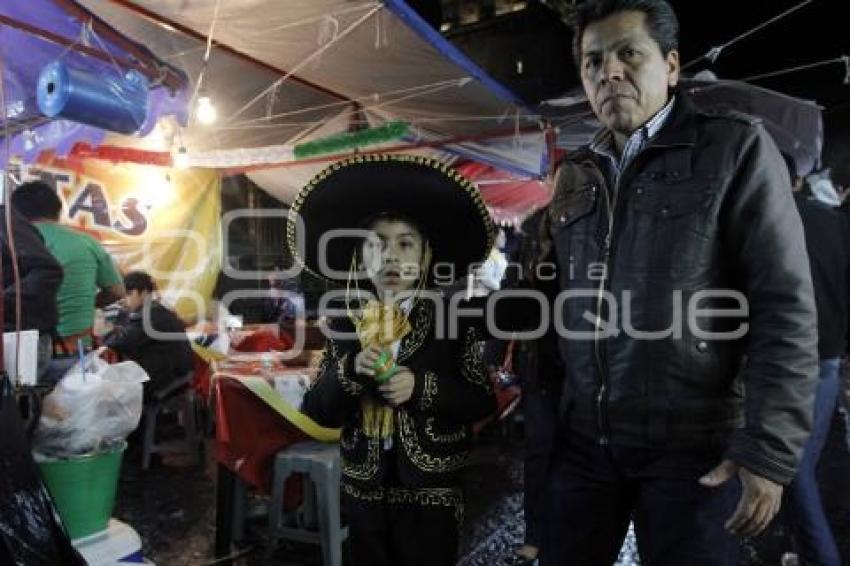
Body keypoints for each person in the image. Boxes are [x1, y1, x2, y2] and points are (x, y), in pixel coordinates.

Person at [506, 1, 818, 564]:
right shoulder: (576, 173)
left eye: (630, 54)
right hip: (586, 444)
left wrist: (768, 451)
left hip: (693, 449)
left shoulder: (734, 150)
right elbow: (554, 306)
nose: (610, 72)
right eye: (593, 61)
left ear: (671, 66)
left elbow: (784, 307)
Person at [295, 154, 496, 566]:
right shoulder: (343, 323)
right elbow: (317, 409)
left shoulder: (451, 319)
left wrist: (421, 388)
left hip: (432, 488)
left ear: (423, 255)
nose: (390, 256)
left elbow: (481, 400)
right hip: (363, 487)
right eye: (376, 244)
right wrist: (350, 373)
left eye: (405, 243)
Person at [781, 166, 847, 566]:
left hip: (789, 362)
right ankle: (801, 549)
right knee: (804, 460)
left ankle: (819, 556)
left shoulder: (759, 221)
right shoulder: (834, 222)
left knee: (792, 468)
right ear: (798, 181)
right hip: (828, 359)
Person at [11, 180, 125, 354]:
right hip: (76, 350)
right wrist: (85, 302)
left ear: (16, 214)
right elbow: (118, 291)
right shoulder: (87, 242)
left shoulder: (11, 243)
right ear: (58, 211)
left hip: (22, 351)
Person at [104, 271, 193, 401]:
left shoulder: (149, 316)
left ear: (144, 292)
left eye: (129, 294)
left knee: (108, 391)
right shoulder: (156, 310)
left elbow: (119, 343)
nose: (125, 300)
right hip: (179, 372)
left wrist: (105, 332)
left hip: (165, 378)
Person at [0, 205, 63, 379]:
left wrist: (5, 302)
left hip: (17, 339)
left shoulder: (4, 221)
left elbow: (47, 270)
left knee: (17, 403)